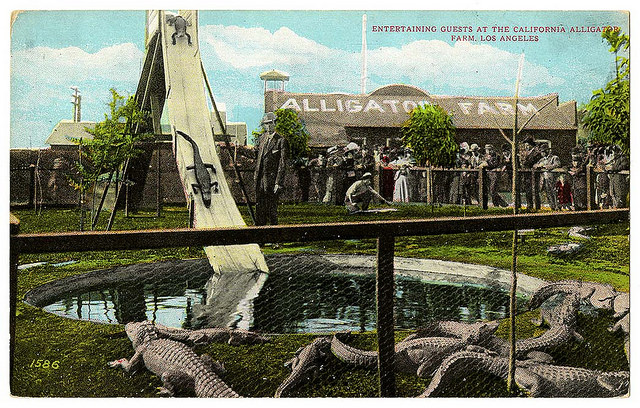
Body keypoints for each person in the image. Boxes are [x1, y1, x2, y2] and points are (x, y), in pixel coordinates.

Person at [254, 112, 288, 225]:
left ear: (274, 123)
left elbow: (282, 164)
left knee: (272, 209)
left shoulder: (281, 140)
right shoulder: (262, 139)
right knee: (259, 208)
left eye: (270, 123)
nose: (267, 126)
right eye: (265, 124)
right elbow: (257, 156)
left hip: (272, 181)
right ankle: (260, 236)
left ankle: (274, 237)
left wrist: (278, 183)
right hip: (259, 180)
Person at [533, 143, 561, 211]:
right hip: (544, 179)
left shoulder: (554, 158)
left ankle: (557, 207)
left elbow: (557, 164)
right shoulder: (541, 160)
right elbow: (535, 165)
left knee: (554, 192)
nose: (542, 153)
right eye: (541, 152)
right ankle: (552, 207)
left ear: (547, 151)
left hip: (552, 178)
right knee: (548, 193)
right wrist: (538, 166)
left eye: (543, 152)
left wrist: (547, 167)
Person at [520, 137, 544, 210]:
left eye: (528, 145)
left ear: (531, 145)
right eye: (525, 145)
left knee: (535, 190)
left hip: (534, 174)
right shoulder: (525, 153)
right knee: (528, 190)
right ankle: (529, 206)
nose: (526, 146)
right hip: (526, 174)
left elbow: (532, 161)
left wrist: (525, 162)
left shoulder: (536, 153)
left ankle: (537, 206)